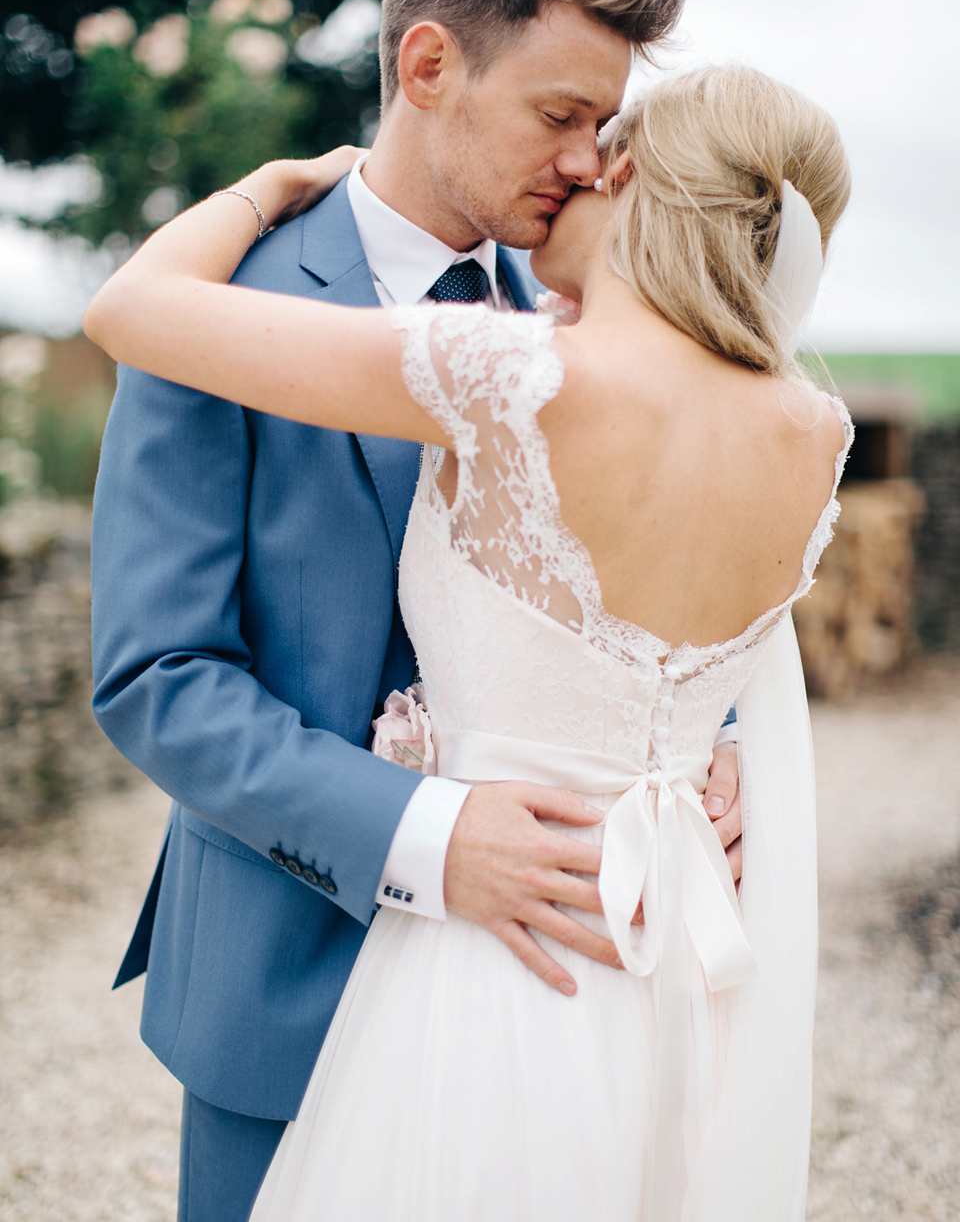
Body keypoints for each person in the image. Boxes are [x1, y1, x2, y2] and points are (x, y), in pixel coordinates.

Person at [85, 61, 852, 1221]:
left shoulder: (513, 370)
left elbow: (128, 312)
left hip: (478, 989)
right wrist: (693, 753)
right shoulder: (810, 427)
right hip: (652, 984)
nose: (578, 160)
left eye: (600, 134)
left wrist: (267, 184)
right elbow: (677, 646)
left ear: (634, 172)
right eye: (563, 116)